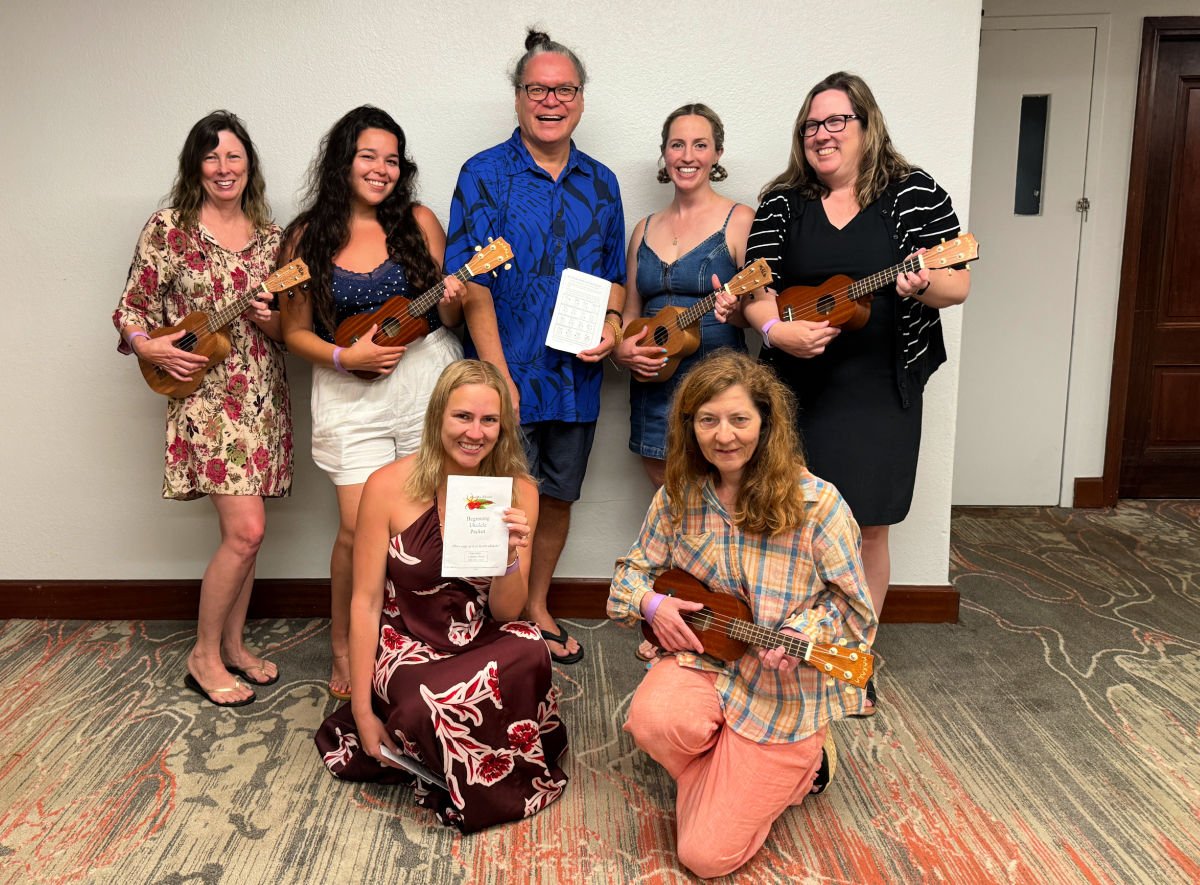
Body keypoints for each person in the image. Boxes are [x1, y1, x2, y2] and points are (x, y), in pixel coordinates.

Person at [741, 72, 970, 712]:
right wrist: (774, 330)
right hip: (792, 389)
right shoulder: (783, 201)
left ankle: (851, 662)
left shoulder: (913, 193)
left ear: (866, 126)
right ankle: (786, 655)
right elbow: (756, 285)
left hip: (879, 387)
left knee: (866, 530)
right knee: (786, 526)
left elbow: (956, 285)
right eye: (812, 125)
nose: (822, 135)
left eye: (836, 121)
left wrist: (919, 284)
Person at [608, 351, 876, 878]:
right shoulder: (678, 497)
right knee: (651, 721)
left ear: (766, 424)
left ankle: (806, 766)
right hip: (707, 662)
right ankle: (729, 773)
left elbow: (855, 613)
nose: (724, 435)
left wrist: (804, 629)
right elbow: (628, 576)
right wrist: (652, 603)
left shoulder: (819, 505)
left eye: (739, 419)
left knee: (704, 857)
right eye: (708, 420)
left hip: (783, 693)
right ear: (691, 429)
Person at [314, 359, 568, 833]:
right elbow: (365, 602)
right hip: (406, 637)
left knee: (533, 647)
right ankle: (445, 735)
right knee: (423, 700)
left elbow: (509, 612)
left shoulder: (518, 490)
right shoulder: (386, 486)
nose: (476, 432)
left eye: (489, 420)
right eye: (463, 417)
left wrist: (513, 555)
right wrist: (364, 710)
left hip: (479, 631)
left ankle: (450, 745)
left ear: (503, 426)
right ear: (438, 418)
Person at [445, 29, 625, 665]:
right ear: (518, 96)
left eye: (564, 89)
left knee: (556, 497)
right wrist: (499, 380)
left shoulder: (602, 184)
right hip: (500, 375)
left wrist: (610, 326)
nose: (551, 100)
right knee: (490, 499)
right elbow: (469, 286)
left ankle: (537, 605)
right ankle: (481, 617)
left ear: (581, 98)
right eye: (538, 89)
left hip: (574, 377)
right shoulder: (483, 174)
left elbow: (615, 280)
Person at [279, 106, 465, 701]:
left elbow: (447, 312)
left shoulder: (419, 220)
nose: (381, 169)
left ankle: (419, 635)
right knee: (360, 528)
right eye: (368, 156)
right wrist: (344, 358)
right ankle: (345, 645)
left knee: (427, 523)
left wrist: (457, 295)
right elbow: (295, 331)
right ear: (343, 162)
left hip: (426, 380)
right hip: (348, 390)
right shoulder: (307, 236)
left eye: (391, 158)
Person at [112, 111, 293, 707]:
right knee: (247, 531)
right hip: (206, 398)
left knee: (246, 537)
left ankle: (234, 647)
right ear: (196, 166)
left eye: (234, 157)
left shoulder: (273, 239)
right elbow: (132, 309)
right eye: (211, 157)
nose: (223, 168)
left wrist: (273, 318)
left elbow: (288, 323)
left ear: (249, 166)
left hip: (260, 393)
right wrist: (149, 344)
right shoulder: (170, 229)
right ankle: (203, 655)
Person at [612, 103, 753, 488]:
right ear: (665, 153)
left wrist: (734, 311)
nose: (687, 156)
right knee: (664, 493)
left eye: (700, 145)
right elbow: (630, 311)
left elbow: (755, 312)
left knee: (722, 493)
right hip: (654, 382)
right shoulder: (644, 228)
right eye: (677, 145)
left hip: (718, 385)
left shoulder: (740, 220)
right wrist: (621, 351)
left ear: (717, 154)